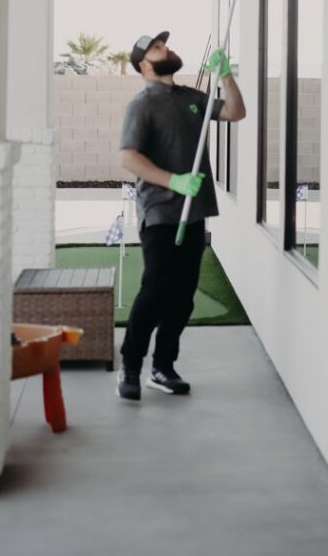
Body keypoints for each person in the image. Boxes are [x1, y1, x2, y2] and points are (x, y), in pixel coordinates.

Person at [116, 31, 246, 401]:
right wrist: (174, 180)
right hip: (160, 211)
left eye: (165, 44)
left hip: (195, 212)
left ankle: (162, 366)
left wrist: (226, 76)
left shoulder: (192, 98)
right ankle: (130, 367)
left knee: (183, 296)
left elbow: (236, 112)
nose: (167, 49)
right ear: (144, 65)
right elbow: (128, 157)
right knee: (155, 290)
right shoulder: (142, 105)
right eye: (158, 48)